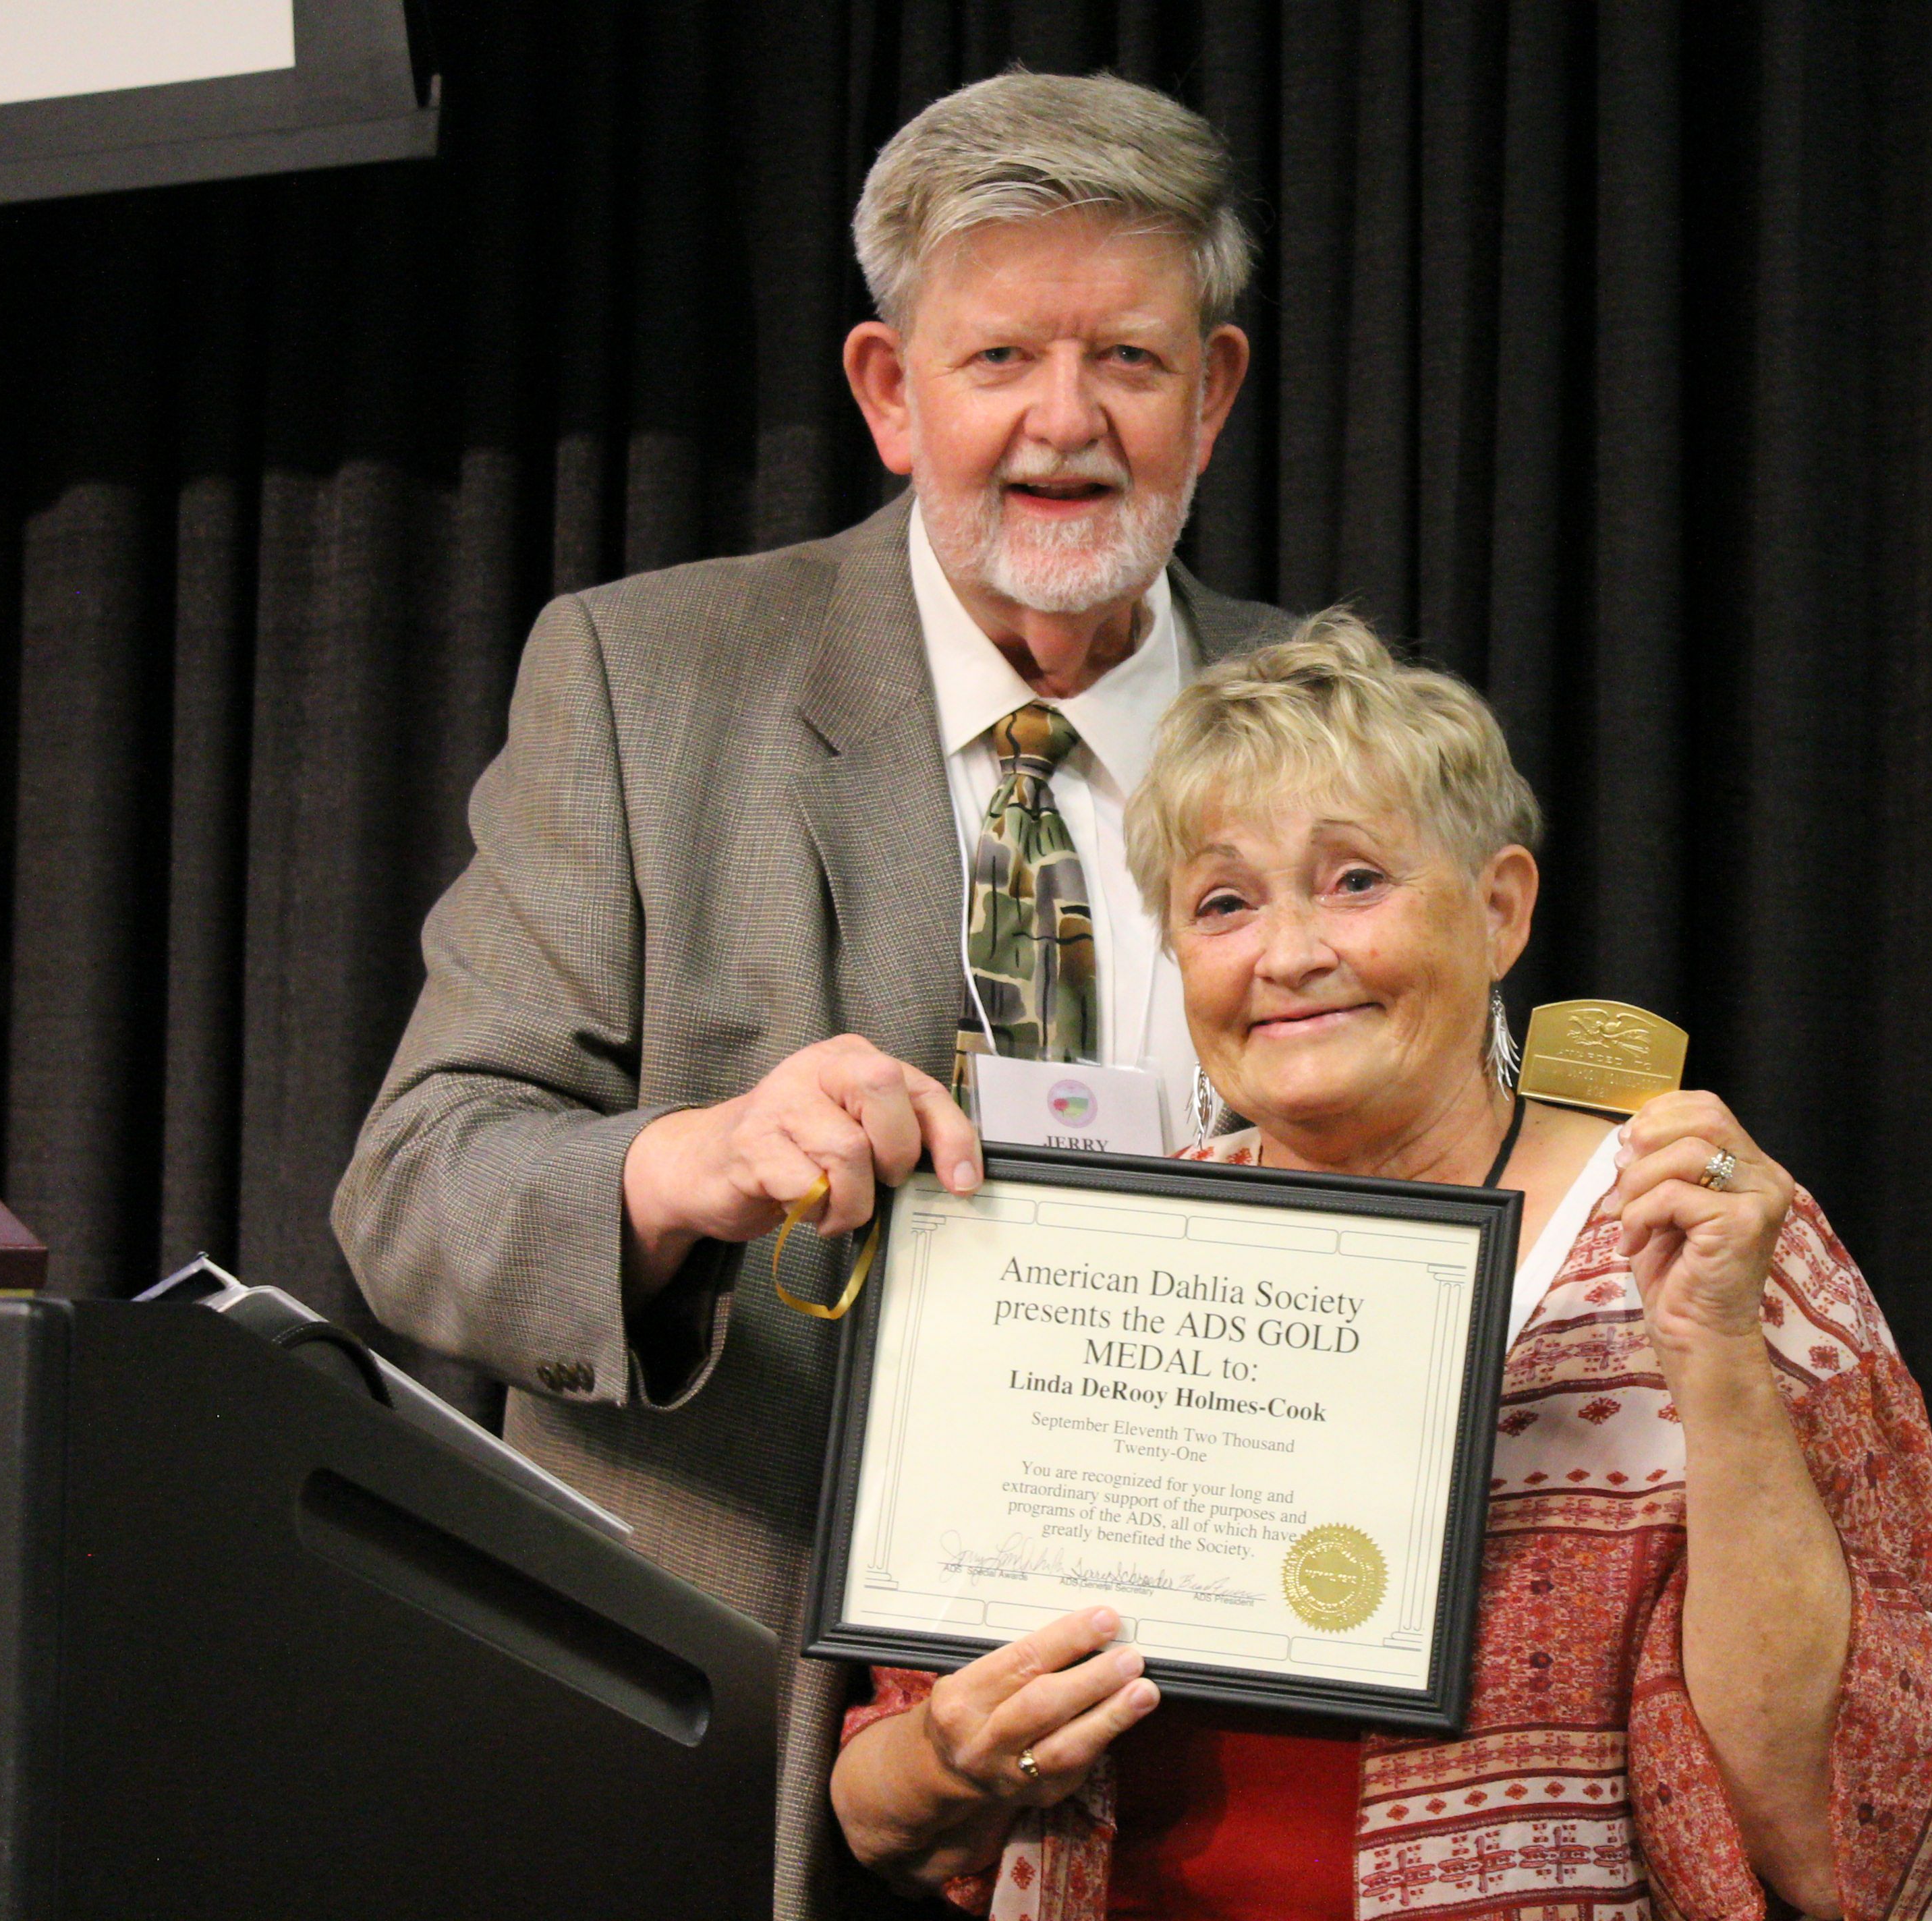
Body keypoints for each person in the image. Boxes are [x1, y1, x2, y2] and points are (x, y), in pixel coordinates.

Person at [331, 72, 1292, 1921]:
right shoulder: (647, 679)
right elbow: (417, 1190)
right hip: (748, 1739)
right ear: (888, 390)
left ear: (1216, 391)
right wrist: (685, 1166)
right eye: (1000, 358)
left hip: (1235, 1753)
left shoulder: (1337, 705)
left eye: (1130, 360)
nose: (1066, 422)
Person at [828, 614, 1932, 1920]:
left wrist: (1719, 1358)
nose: (1289, 954)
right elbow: (880, 1812)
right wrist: (959, 1756)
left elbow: (1847, 1851)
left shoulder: (1702, 1234)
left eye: (1355, 881)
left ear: (1500, 908)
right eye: (1224, 903)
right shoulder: (1096, 1262)